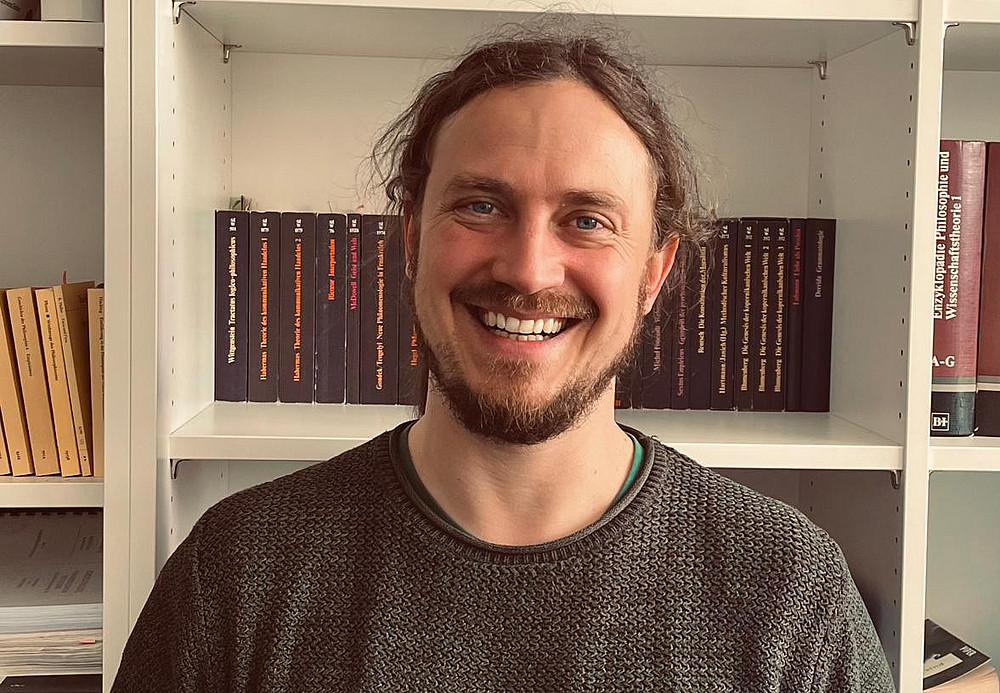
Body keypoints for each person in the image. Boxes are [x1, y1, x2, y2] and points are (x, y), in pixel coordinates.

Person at [111, 27, 897, 693]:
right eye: (481, 206)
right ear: (411, 237)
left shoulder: (792, 593)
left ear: (654, 273)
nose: (528, 269)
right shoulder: (238, 576)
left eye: (586, 220)